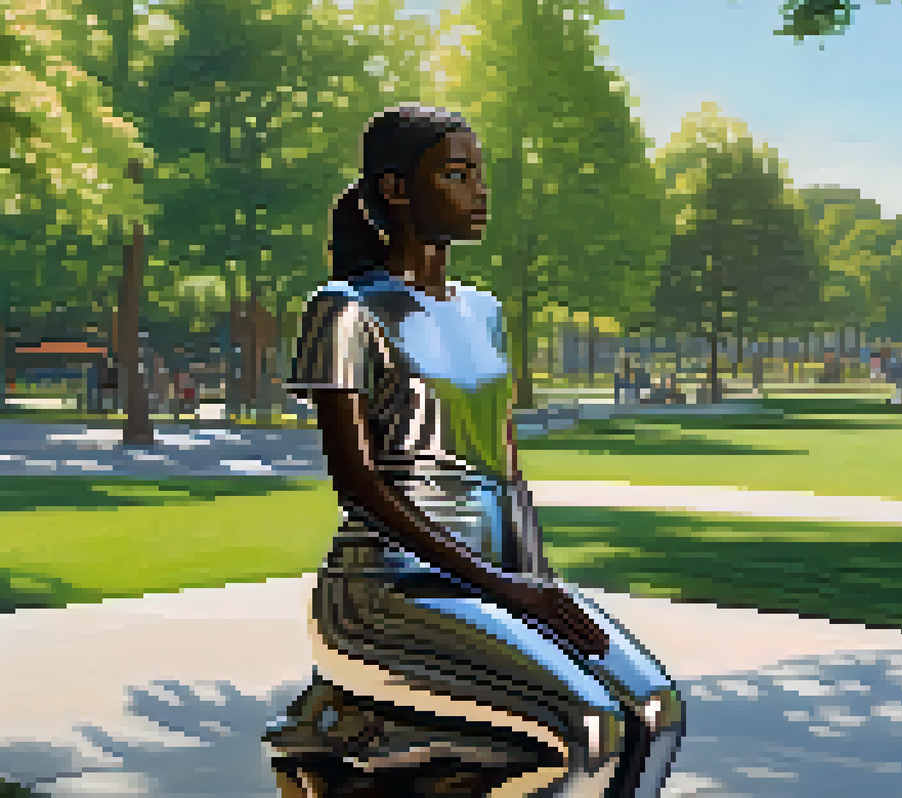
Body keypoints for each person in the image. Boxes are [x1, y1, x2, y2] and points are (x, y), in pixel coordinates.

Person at [262, 105, 683, 796]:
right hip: (387, 590)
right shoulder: (346, 309)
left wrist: (538, 588)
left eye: (479, 174)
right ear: (397, 190)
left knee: (657, 712)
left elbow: (507, 471)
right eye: (457, 174)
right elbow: (360, 487)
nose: (480, 192)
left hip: (494, 586)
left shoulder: (483, 311)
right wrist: (510, 590)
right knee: (590, 732)